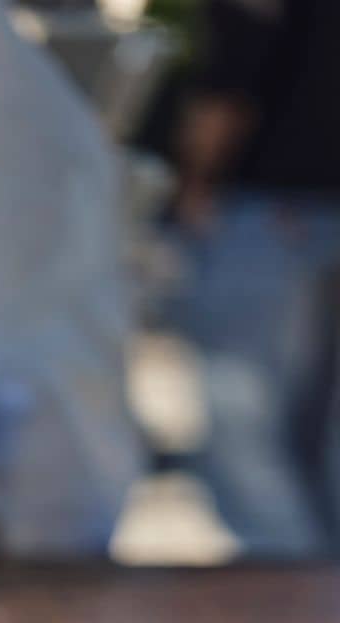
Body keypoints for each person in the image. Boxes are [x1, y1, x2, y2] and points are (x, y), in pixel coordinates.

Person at [172, 0, 340, 557]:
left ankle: (285, 571)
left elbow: (231, 82)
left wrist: (196, 186)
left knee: (244, 410)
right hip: (297, 206)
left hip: (273, 207)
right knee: (311, 417)